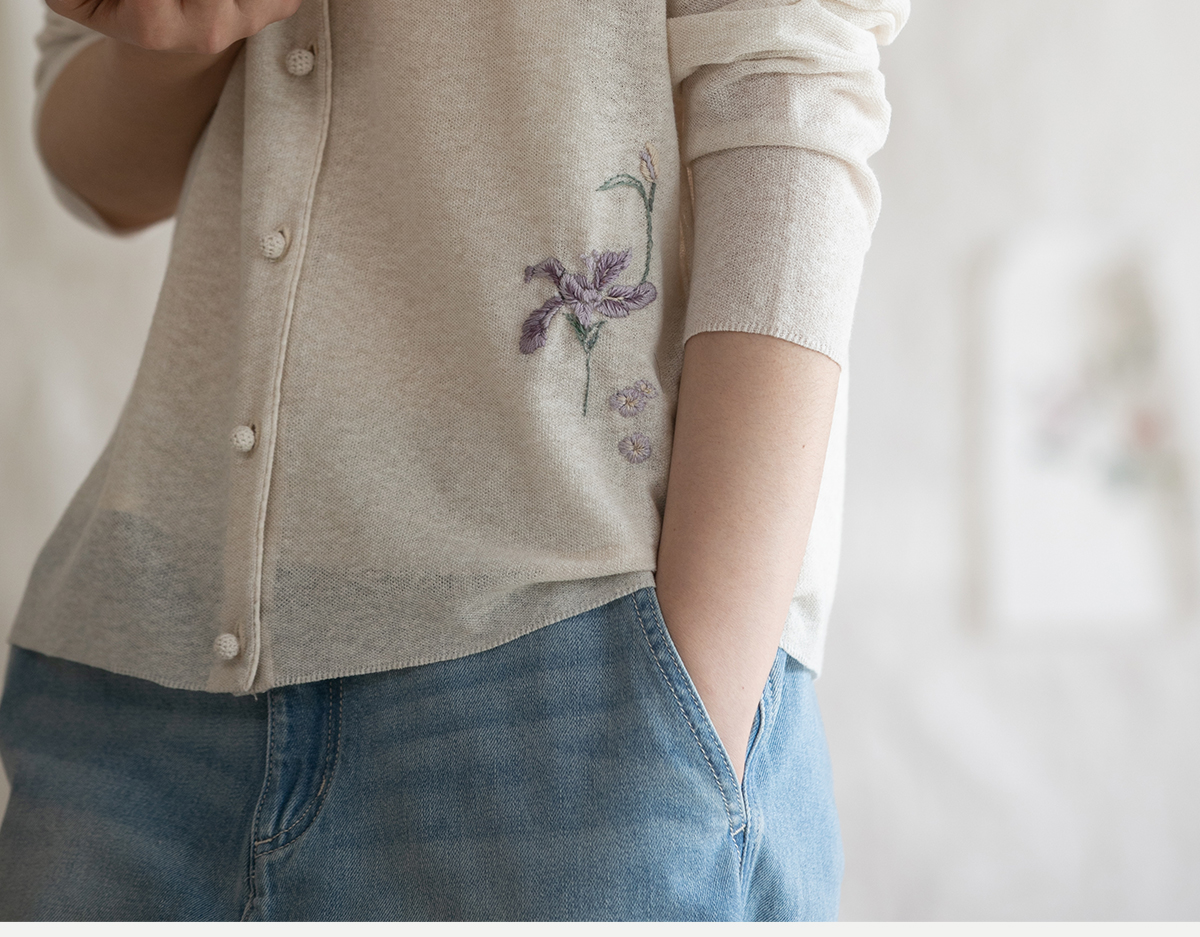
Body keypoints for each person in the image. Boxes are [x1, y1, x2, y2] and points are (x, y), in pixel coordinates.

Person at [0, 0, 907, 921]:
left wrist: (693, 706)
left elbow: (790, 99)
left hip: (571, 677)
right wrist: (180, 31)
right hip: (137, 679)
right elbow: (92, 168)